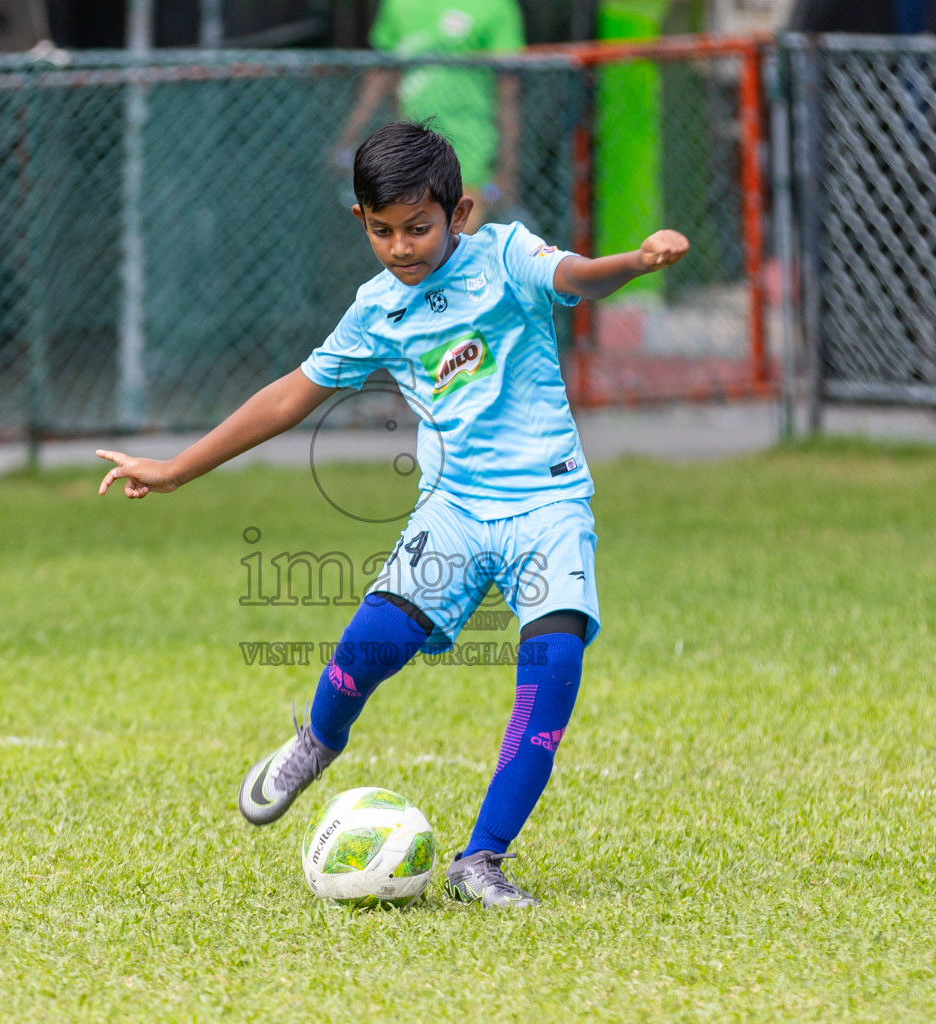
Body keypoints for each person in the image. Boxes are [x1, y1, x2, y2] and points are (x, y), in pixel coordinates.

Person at [96, 120, 688, 907]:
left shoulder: (507, 257)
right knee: (369, 646)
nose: (402, 247)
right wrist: (175, 469)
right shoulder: (376, 311)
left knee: (554, 669)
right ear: (360, 222)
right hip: (454, 511)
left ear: (460, 213)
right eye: (383, 231)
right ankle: (318, 740)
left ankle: (482, 860)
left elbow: (577, 275)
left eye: (419, 228)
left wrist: (636, 262)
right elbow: (285, 400)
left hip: (548, 504)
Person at [334, 0, 524, 231]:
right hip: (409, 152)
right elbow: (381, 75)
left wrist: (507, 166)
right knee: (409, 245)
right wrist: (348, 139)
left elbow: (508, 92)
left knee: (454, 243)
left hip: (469, 150)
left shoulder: (496, 6)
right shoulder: (397, 4)